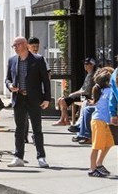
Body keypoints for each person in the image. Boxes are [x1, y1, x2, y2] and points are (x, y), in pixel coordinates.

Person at [5, 36, 52, 168]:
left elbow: (45, 80)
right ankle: (18, 157)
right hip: (19, 98)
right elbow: (8, 78)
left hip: (34, 99)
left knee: (37, 129)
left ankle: (41, 157)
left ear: (25, 44)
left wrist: (47, 98)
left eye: (17, 45)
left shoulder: (38, 60)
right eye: (13, 46)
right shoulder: (12, 60)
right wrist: (9, 86)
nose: (15, 48)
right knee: (19, 129)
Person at [88, 67, 117, 177]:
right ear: (107, 82)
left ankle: (99, 164)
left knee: (109, 143)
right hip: (99, 122)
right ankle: (92, 169)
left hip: (101, 122)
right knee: (96, 146)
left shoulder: (101, 90)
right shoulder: (109, 91)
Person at [57, 58, 97, 126]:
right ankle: (66, 120)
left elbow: (86, 91)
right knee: (60, 99)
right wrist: (73, 93)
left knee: (63, 100)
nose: (85, 65)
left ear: (92, 65)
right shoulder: (88, 75)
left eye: (87, 64)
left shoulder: (92, 76)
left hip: (87, 96)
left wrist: (74, 94)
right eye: (84, 64)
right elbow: (82, 89)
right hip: (83, 94)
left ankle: (63, 120)